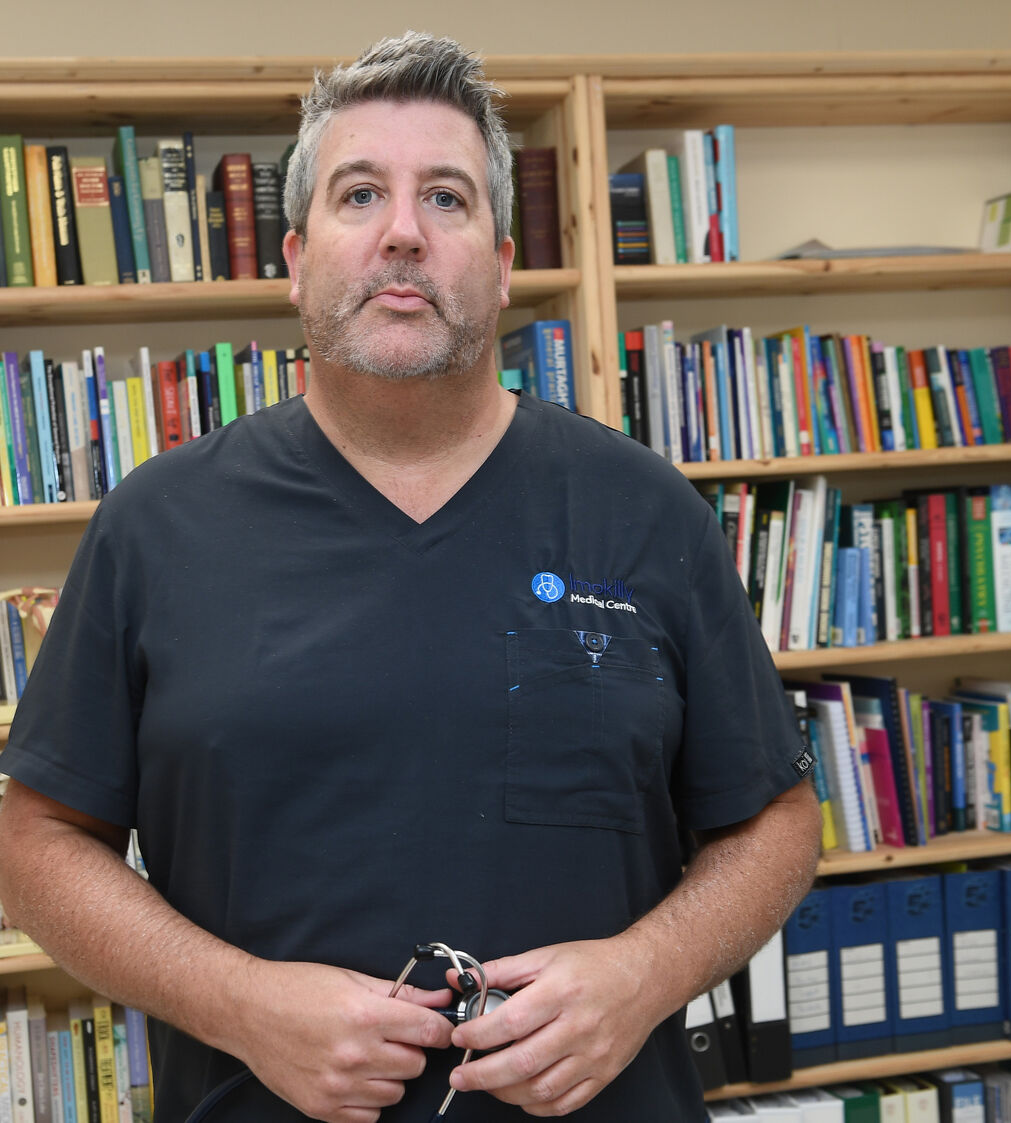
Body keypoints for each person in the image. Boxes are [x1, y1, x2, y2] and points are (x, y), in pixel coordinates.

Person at [0, 32, 822, 1123]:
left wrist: (649, 972)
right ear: (294, 258)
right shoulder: (156, 524)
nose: (401, 232)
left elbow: (775, 820)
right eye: (358, 196)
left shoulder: (646, 511)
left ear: (500, 260)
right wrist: (242, 1003)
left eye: (446, 197)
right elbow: (38, 841)